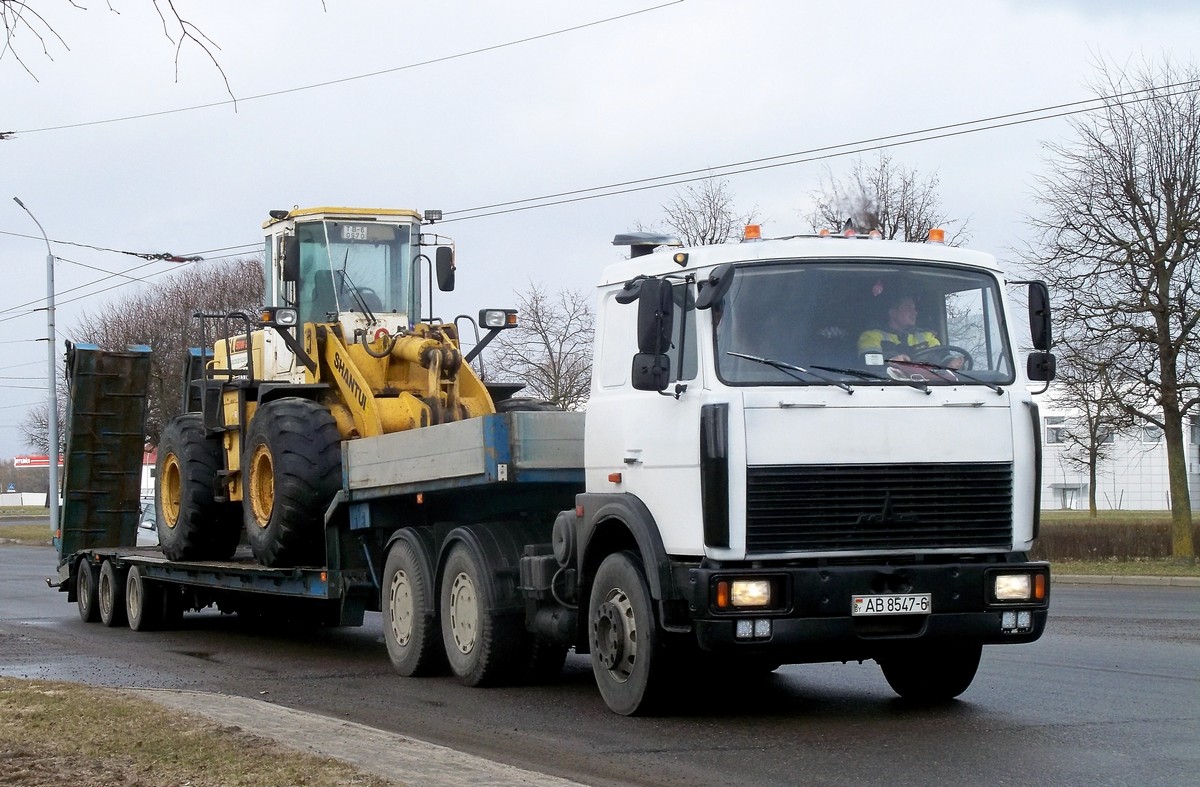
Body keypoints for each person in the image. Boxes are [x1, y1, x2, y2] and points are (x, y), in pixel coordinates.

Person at [857, 293, 963, 369]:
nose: (915, 313)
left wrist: (951, 362)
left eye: (914, 308)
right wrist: (890, 360)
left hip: (925, 389)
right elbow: (868, 359)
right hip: (884, 388)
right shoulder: (871, 336)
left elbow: (941, 354)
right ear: (893, 312)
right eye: (908, 308)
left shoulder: (926, 336)